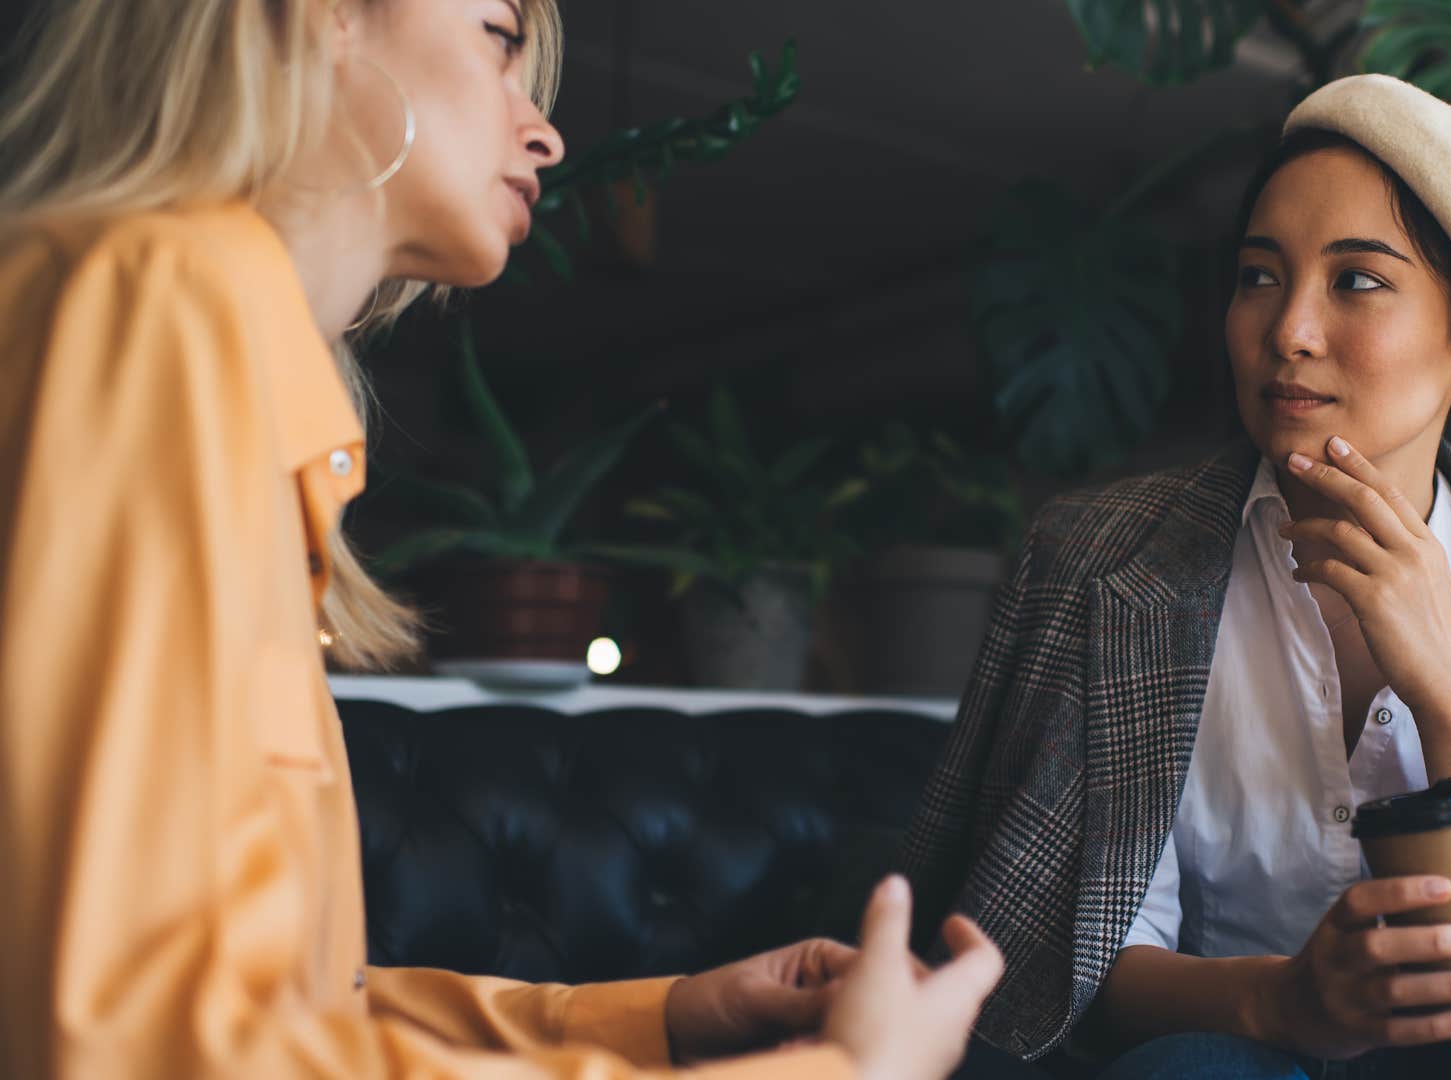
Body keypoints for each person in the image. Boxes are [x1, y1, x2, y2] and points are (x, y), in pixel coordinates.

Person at [0, 2, 1001, 1077]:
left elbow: (278, 1007)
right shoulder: (153, 304)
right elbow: (132, 1042)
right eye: (498, 35)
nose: (547, 132)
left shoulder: (183, 328)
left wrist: (661, 1019)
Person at [903, 75, 1451, 1080]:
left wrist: (1441, 676)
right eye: (1259, 276)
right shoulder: (1095, 561)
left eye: (1358, 281)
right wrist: (1281, 1001)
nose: (1289, 328)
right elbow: (1057, 963)